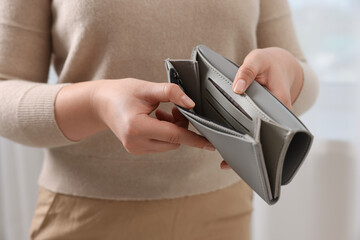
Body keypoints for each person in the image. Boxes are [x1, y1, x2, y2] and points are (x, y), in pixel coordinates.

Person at [0, 0, 318, 239]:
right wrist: (96, 103)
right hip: (86, 216)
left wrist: (289, 70)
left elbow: (299, 73)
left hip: (223, 213)